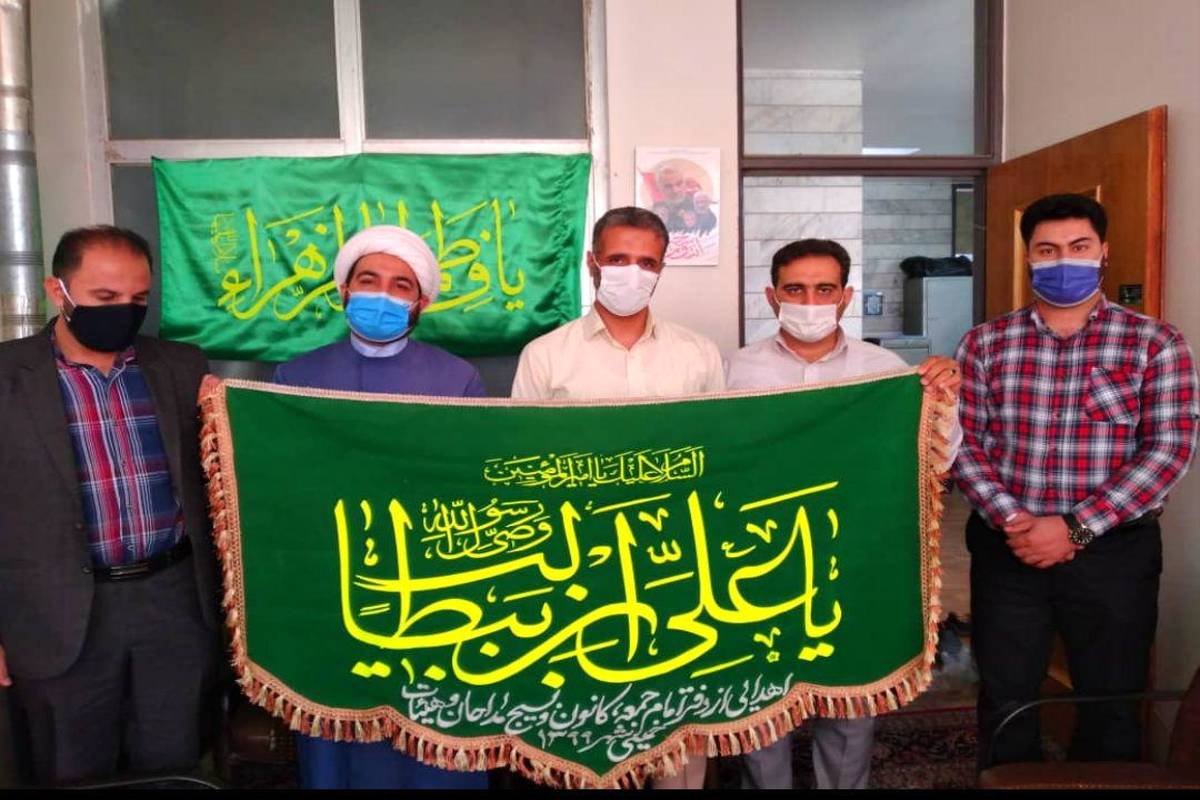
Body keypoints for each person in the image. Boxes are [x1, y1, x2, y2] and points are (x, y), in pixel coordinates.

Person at [952, 193, 1199, 768]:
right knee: (1006, 698)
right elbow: (963, 444)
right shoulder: (984, 343)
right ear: (1029, 257)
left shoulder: (1155, 342)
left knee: (1111, 703)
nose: (1064, 260)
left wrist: (1075, 529)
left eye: (1078, 246)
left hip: (1113, 555)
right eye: (1047, 250)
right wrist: (1017, 522)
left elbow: (1168, 450)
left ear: (1103, 252)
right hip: (1008, 551)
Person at [725, 238, 962, 789]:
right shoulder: (733, 371)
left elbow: (938, 457)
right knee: (761, 698)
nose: (810, 302)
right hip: (758, 560)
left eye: (824, 289)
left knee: (851, 696)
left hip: (853, 559)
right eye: (795, 289)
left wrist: (945, 396)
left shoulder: (885, 372)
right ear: (772, 296)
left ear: (846, 296)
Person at [0, 226, 220, 785]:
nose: (124, 310)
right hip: (53, 617)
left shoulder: (182, 367)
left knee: (173, 767)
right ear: (57, 290)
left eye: (138, 298)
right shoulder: (8, 377)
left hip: (172, 605)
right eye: (104, 296)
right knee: (72, 771)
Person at [511, 206, 722, 788]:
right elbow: (525, 467)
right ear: (592, 263)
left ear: (662, 271)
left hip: (678, 564)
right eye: (618, 258)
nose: (633, 272)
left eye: (647, 262)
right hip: (581, 566)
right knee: (586, 721)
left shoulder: (699, 354)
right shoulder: (546, 355)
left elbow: (718, 460)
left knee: (679, 720)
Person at [272, 225, 486, 788]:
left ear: (422, 303)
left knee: (435, 742)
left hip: (435, 590)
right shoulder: (296, 377)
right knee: (340, 734)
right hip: (333, 591)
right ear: (344, 291)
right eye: (368, 281)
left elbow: (470, 488)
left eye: (400, 285)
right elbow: (284, 487)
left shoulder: (457, 378)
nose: (382, 295)